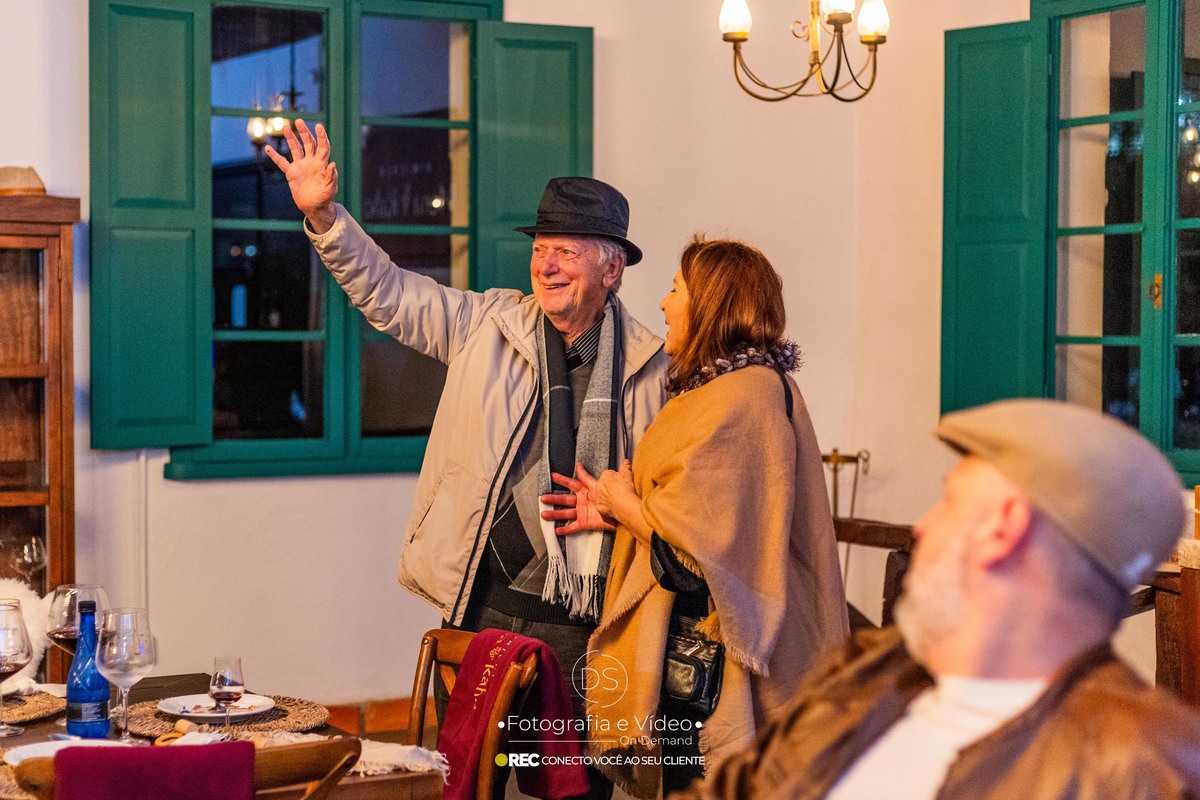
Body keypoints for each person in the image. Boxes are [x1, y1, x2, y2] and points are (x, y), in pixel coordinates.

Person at [266, 121, 669, 798]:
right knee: (474, 779)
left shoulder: (655, 369)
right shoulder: (486, 325)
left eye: (566, 252)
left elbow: (670, 496)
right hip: (483, 610)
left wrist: (620, 512)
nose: (546, 266)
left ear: (612, 268)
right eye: (540, 250)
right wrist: (326, 217)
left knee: (573, 788)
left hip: (589, 624)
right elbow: (388, 292)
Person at [669, 398, 1200, 800]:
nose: (922, 526)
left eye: (949, 500)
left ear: (1004, 528)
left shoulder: (1137, 766)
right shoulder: (868, 672)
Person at [542, 237, 849, 798]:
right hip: (703, 656)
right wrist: (619, 511)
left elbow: (693, 561)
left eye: (677, 289)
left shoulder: (740, 399)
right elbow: (713, 523)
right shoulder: (735, 388)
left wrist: (625, 504)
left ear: (711, 303)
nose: (664, 304)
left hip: (717, 665)